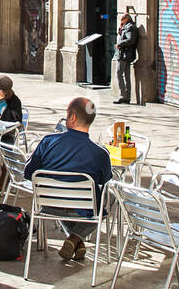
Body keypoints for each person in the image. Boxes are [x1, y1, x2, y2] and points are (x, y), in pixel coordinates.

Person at [23, 97, 112, 261]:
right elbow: (105, 182)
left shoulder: (48, 141)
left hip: (48, 205)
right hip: (82, 206)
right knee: (109, 198)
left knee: (71, 198)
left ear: (72, 118)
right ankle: (75, 238)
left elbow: (29, 173)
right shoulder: (100, 154)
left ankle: (75, 240)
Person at [115, 11, 139, 105]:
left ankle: (123, 96)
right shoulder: (126, 26)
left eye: (122, 19)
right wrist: (120, 28)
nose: (121, 20)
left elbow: (131, 40)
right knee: (126, 76)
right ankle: (126, 97)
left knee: (119, 73)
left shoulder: (130, 27)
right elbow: (122, 35)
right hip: (124, 54)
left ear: (127, 18)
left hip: (125, 54)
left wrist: (120, 44)